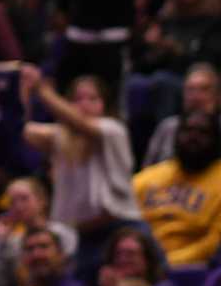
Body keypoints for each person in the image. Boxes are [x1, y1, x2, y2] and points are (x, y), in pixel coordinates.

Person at [21, 68, 141, 274]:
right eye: (77, 99)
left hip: (122, 231)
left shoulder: (113, 130)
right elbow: (20, 129)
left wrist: (43, 91)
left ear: (104, 105)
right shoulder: (59, 137)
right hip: (82, 237)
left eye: (93, 99)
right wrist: (22, 91)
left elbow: (82, 125)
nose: (84, 105)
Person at [133, 108, 221, 266]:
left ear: (216, 140)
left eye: (203, 132)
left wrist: (168, 263)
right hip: (143, 263)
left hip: (196, 270)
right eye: (187, 130)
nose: (193, 137)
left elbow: (216, 241)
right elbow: (126, 227)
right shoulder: (146, 179)